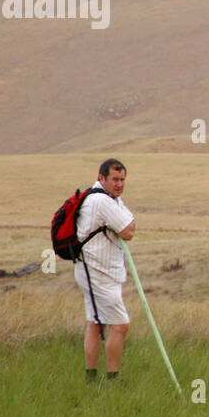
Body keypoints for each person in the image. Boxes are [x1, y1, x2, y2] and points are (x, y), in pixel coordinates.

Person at [75, 158, 136, 381]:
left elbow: (127, 225)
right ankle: (113, 380)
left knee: (95, 323)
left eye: (122, 180)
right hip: (98, 274)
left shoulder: (109, 199)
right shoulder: (102, 201)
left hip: (94, 271)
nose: (119, 184)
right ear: (102, 178)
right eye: (115, 179)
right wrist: (126, 225)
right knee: (120, 325)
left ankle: (91, 379)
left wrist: (126, 224)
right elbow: (128, 231)